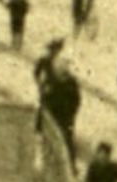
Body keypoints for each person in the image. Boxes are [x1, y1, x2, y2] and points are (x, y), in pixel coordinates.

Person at [35, 40, 82, 173]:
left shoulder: (71, 83)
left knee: (67, 141)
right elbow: (44, 100)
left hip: (65, 117)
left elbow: (76, 100)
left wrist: (72, 113)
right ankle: (53, 167)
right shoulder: (49, 78)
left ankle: (70, 167)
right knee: (51, 142)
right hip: (53, 117)